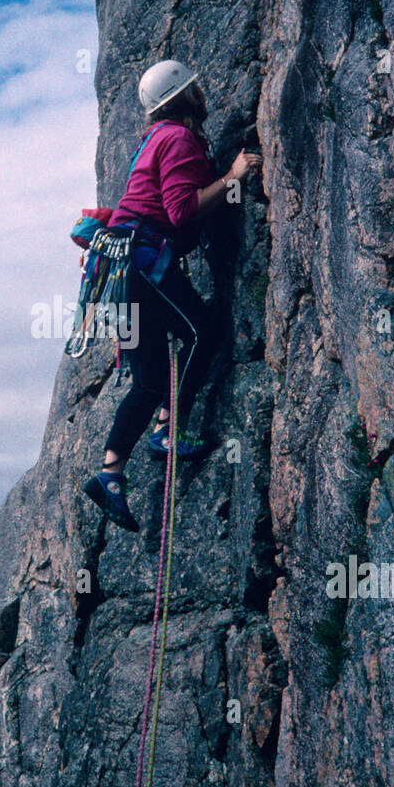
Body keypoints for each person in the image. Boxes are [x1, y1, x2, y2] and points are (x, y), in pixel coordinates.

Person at [83, 59, 262, 531]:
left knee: (148, 380)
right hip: (143, 266)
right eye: (196, 88)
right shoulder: (178, 139)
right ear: (185, 97)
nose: (204, 94)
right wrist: (234, 177)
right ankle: (169, 428)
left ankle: (110, 474)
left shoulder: (152, 140)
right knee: (204, 332)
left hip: (120, 271)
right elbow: (181, 213)